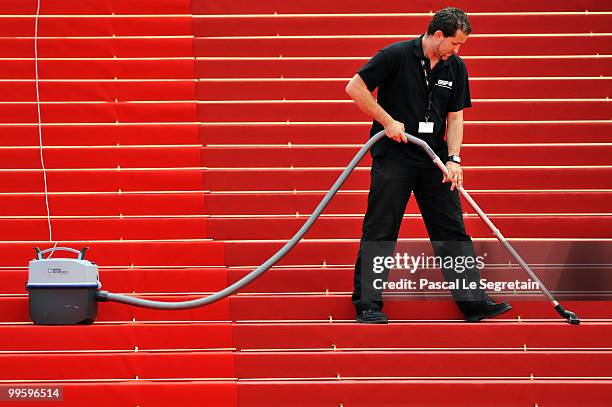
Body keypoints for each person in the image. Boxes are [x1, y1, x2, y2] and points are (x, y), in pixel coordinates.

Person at [345, 7, 512, 324]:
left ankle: (473, 303)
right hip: (394, 156)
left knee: (452, 229)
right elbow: (354, 87)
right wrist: (387, 121)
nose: (457, 50)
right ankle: (367, 303)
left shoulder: (456, 68)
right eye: (455, 43)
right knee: (381, 228)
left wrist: (454, 158)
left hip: (433, 159)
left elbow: (456, 116)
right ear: (438, 35)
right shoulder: (395, 55)